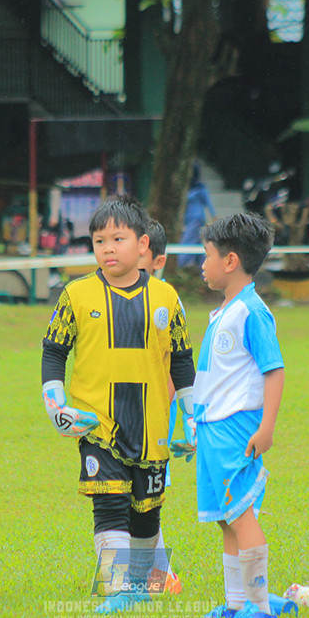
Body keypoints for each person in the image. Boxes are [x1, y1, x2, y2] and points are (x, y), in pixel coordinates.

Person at [41, 195, 196, 614]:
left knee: (147, 513)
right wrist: (55, 402)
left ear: (142, 244)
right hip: (98, 426)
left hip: (152, 429)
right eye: (98, 241)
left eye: (118, 238)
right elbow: (53, 351)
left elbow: (182, 360)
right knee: (109, 502)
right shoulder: (76, 295)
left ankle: (147, 583)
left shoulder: (166, 297)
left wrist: (192, 416)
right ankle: (117, 590)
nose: (107, 248)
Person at [189, 212, 285, 618]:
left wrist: (266, 428)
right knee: (226, 519)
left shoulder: (253, 312)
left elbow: (274, 370)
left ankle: (260, 609)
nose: (201, 264)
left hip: (236, 430)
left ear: (230, 262)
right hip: (212, 430)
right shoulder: (223, 311)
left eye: (206, 255)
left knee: (243, 516)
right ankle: (234, 605)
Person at [138, 219, 186, 594]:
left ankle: (160, 573)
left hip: (153, 414)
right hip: (120, 411)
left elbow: (177, 362)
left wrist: (159, 401)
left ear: (159, 261)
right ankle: (154, 571)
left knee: (145, 495)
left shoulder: (166, 299)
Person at [179, 162, 216, 268]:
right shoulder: (186, 188)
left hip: (197, 219)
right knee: (199, 244)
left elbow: (208, 203)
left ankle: (181, 264)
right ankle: (201, 267)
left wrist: (214, 217)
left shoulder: (200, 188)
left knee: (187, 242)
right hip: (188, 219)